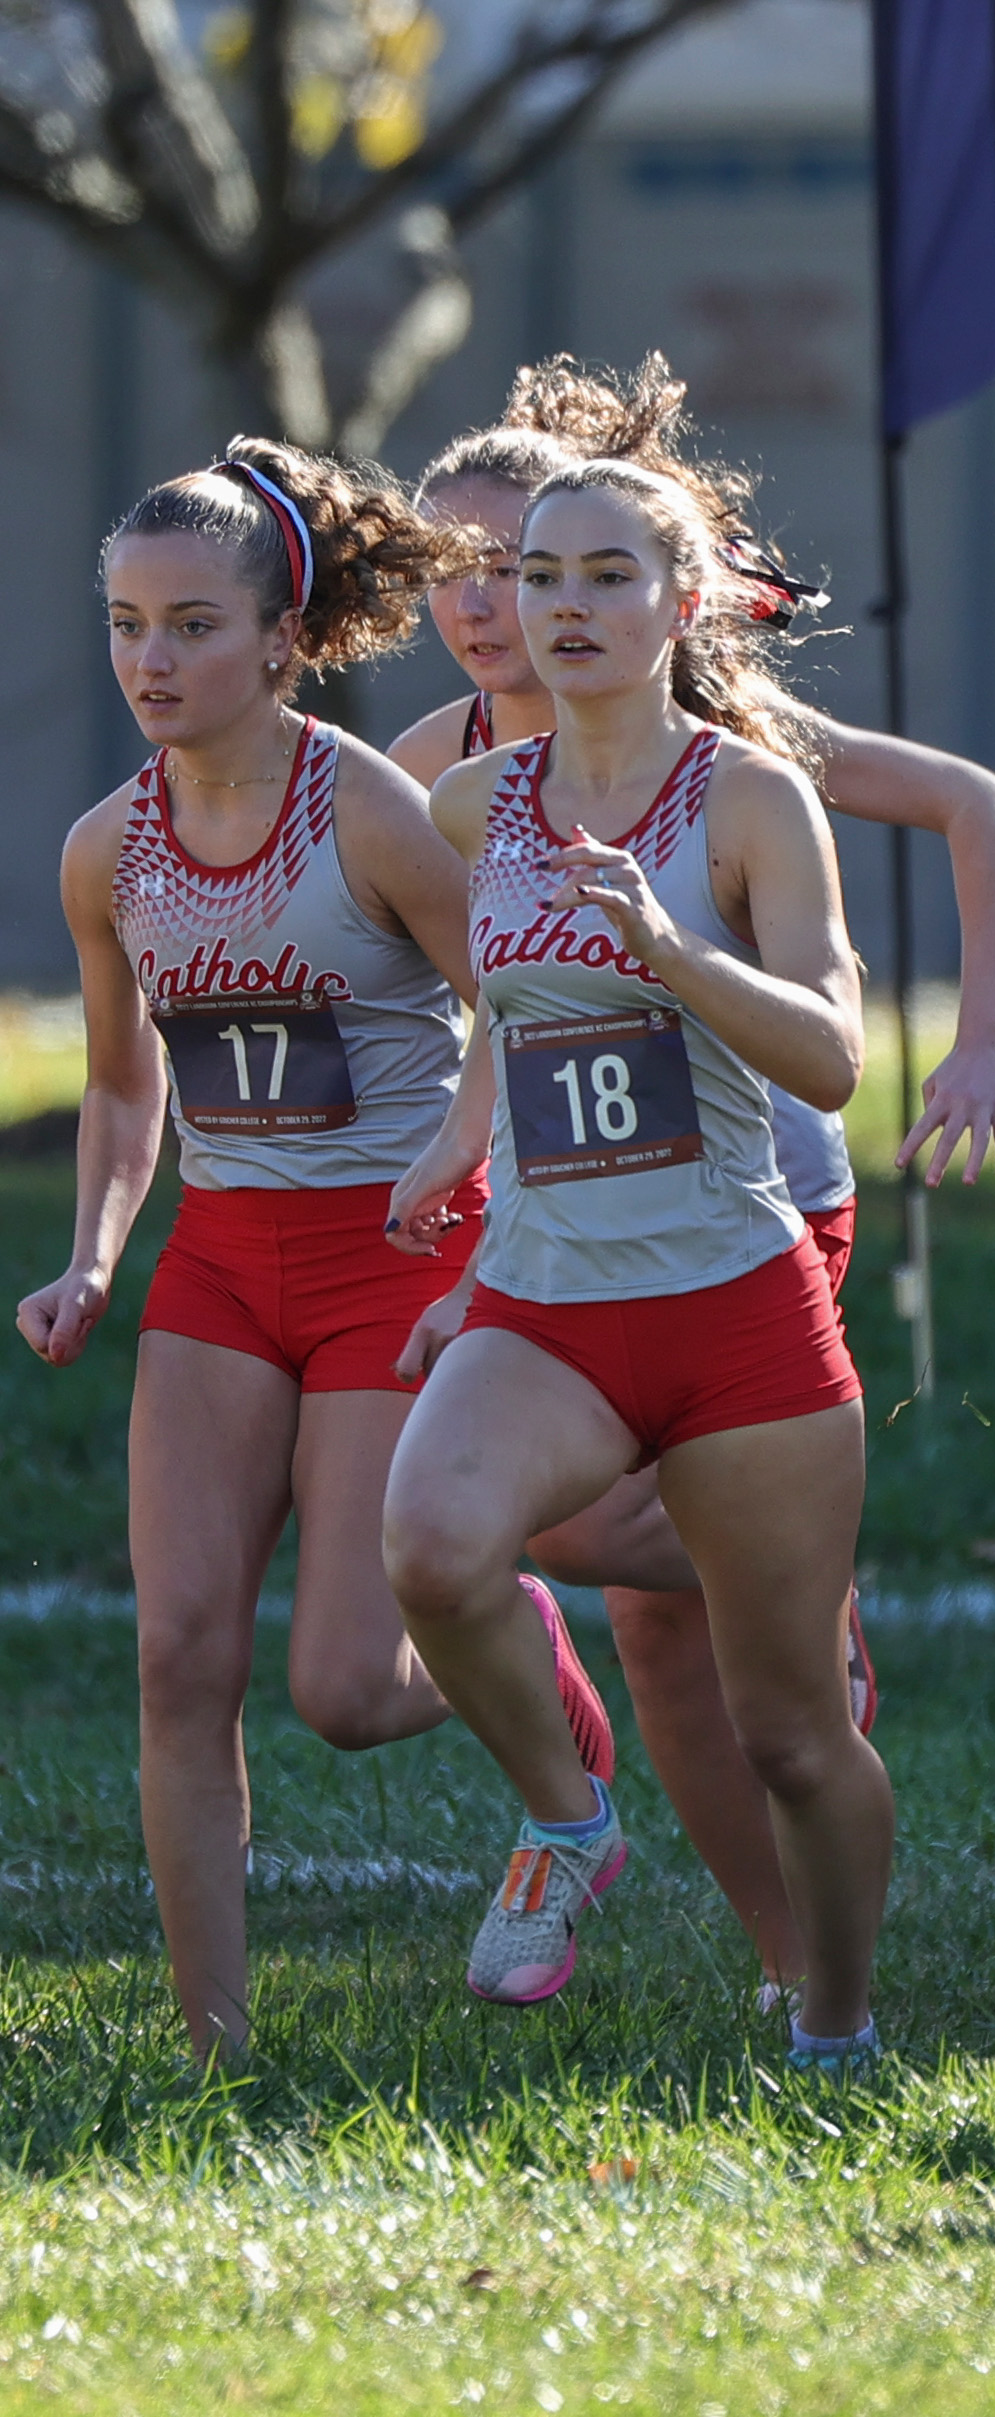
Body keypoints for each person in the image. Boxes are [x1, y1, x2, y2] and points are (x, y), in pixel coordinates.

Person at [391, 359, 995, 1991]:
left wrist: (672, 951)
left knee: (796, 1737)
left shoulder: (751, 792)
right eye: (538, 576)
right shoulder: (468, 803)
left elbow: (830, 1055)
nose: (561, 606)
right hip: (548, 1296)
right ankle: (566, 1813)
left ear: (684, 601)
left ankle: (831, 2011)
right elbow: (510, 1007)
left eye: (607, 576)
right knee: (434, 1549)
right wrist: (461, 1145)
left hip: (737, 1286)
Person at [14, 439, 610, 2059]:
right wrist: (94, 1256)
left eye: (193, 624)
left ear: (281, 639)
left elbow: (518, 990)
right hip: (221, 1268)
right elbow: (129, 1084)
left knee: (347, 1686)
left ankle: (538, 1674)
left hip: (393, 1260)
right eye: (129, 623)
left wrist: (464, 1150)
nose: (152, 657)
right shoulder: (107, 849)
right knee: (177, 1652)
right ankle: (214, 2044)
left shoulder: (375, 811)